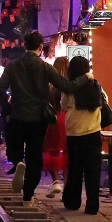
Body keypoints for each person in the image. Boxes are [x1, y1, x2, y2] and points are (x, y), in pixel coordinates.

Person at [0, 32, 88, 203]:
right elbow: (66, 86)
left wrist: (7, 109)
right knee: (34, 156)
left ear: (25, 46)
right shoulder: (46, 67)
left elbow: (1, 87)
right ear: (40, 47)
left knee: (14, 147)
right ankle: (28, 195)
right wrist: (85, 78)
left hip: (17, 115)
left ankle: (18, 162)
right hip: (38, 119)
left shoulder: (13, 66)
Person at [60, 56, 105, 216]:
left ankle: (73, 202)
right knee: (93, 171)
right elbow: (104, 101)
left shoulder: (69, 88)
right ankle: (92, 206)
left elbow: (64, 105)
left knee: (75, 169)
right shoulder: (95, 84)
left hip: (74, 133)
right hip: (93, 132)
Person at [42, 56, 69, 199]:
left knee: (51, 150)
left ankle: (55, 181)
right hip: (67, 119)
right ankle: (67, 186)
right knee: (66, 152)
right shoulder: (69, 84)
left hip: (53, 119)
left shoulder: (49, 85)